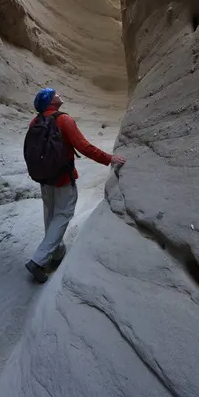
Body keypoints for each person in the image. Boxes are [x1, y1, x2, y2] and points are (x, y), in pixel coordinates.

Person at [25, 87, 126, 283]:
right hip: (63, 179)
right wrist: (109, 158)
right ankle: (38, 261)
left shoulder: (34, 122)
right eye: (55, 94)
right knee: (62, 215)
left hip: (44, 180)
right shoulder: (63, 120)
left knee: (51, 215)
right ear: (50, 101)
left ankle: (57, 251)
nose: (59, 94)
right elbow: (83, 147)